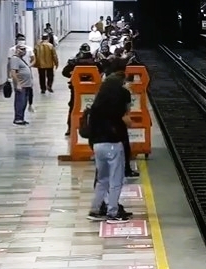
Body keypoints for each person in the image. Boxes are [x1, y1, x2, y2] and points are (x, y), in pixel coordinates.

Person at [87, 58, 133, 223]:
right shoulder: (122, 93)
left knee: (102, 179)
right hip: (113, 142)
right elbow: (126, 118)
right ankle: (113, 213)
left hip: (97, 143)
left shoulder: (101, 93)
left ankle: (95, 210)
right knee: (116, 179)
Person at [62, 43, 103, 136]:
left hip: (76, 88)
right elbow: (102, 70)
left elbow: (64, 72)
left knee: (73, 106)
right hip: (92, 87)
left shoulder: (75, 61)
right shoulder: (95, 62)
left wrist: (73, 75)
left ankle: (70, 127)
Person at [8, 34, 35, 112]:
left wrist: (29, 66)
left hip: (27, 73)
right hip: (19, 75)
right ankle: (19, 116)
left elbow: (34, 59)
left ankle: (29, 105)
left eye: (22, 39)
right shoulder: (12, 51)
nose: (21, 41)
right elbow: (10, 64)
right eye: (19, 39)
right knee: (20, 94)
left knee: (28, 91)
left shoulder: (29, 49)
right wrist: (9, 77)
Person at [10, 45, 33, 126]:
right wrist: (18, 83)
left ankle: (21, 118)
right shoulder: (15, 59)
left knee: (24, 102)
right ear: (16, 50)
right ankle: (18, 118)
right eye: (21, 49)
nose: (23, 51)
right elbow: (13, 72)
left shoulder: (21, 59)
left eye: (24, 50)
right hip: (21, 85)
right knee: (20, 101)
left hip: (26, 85)